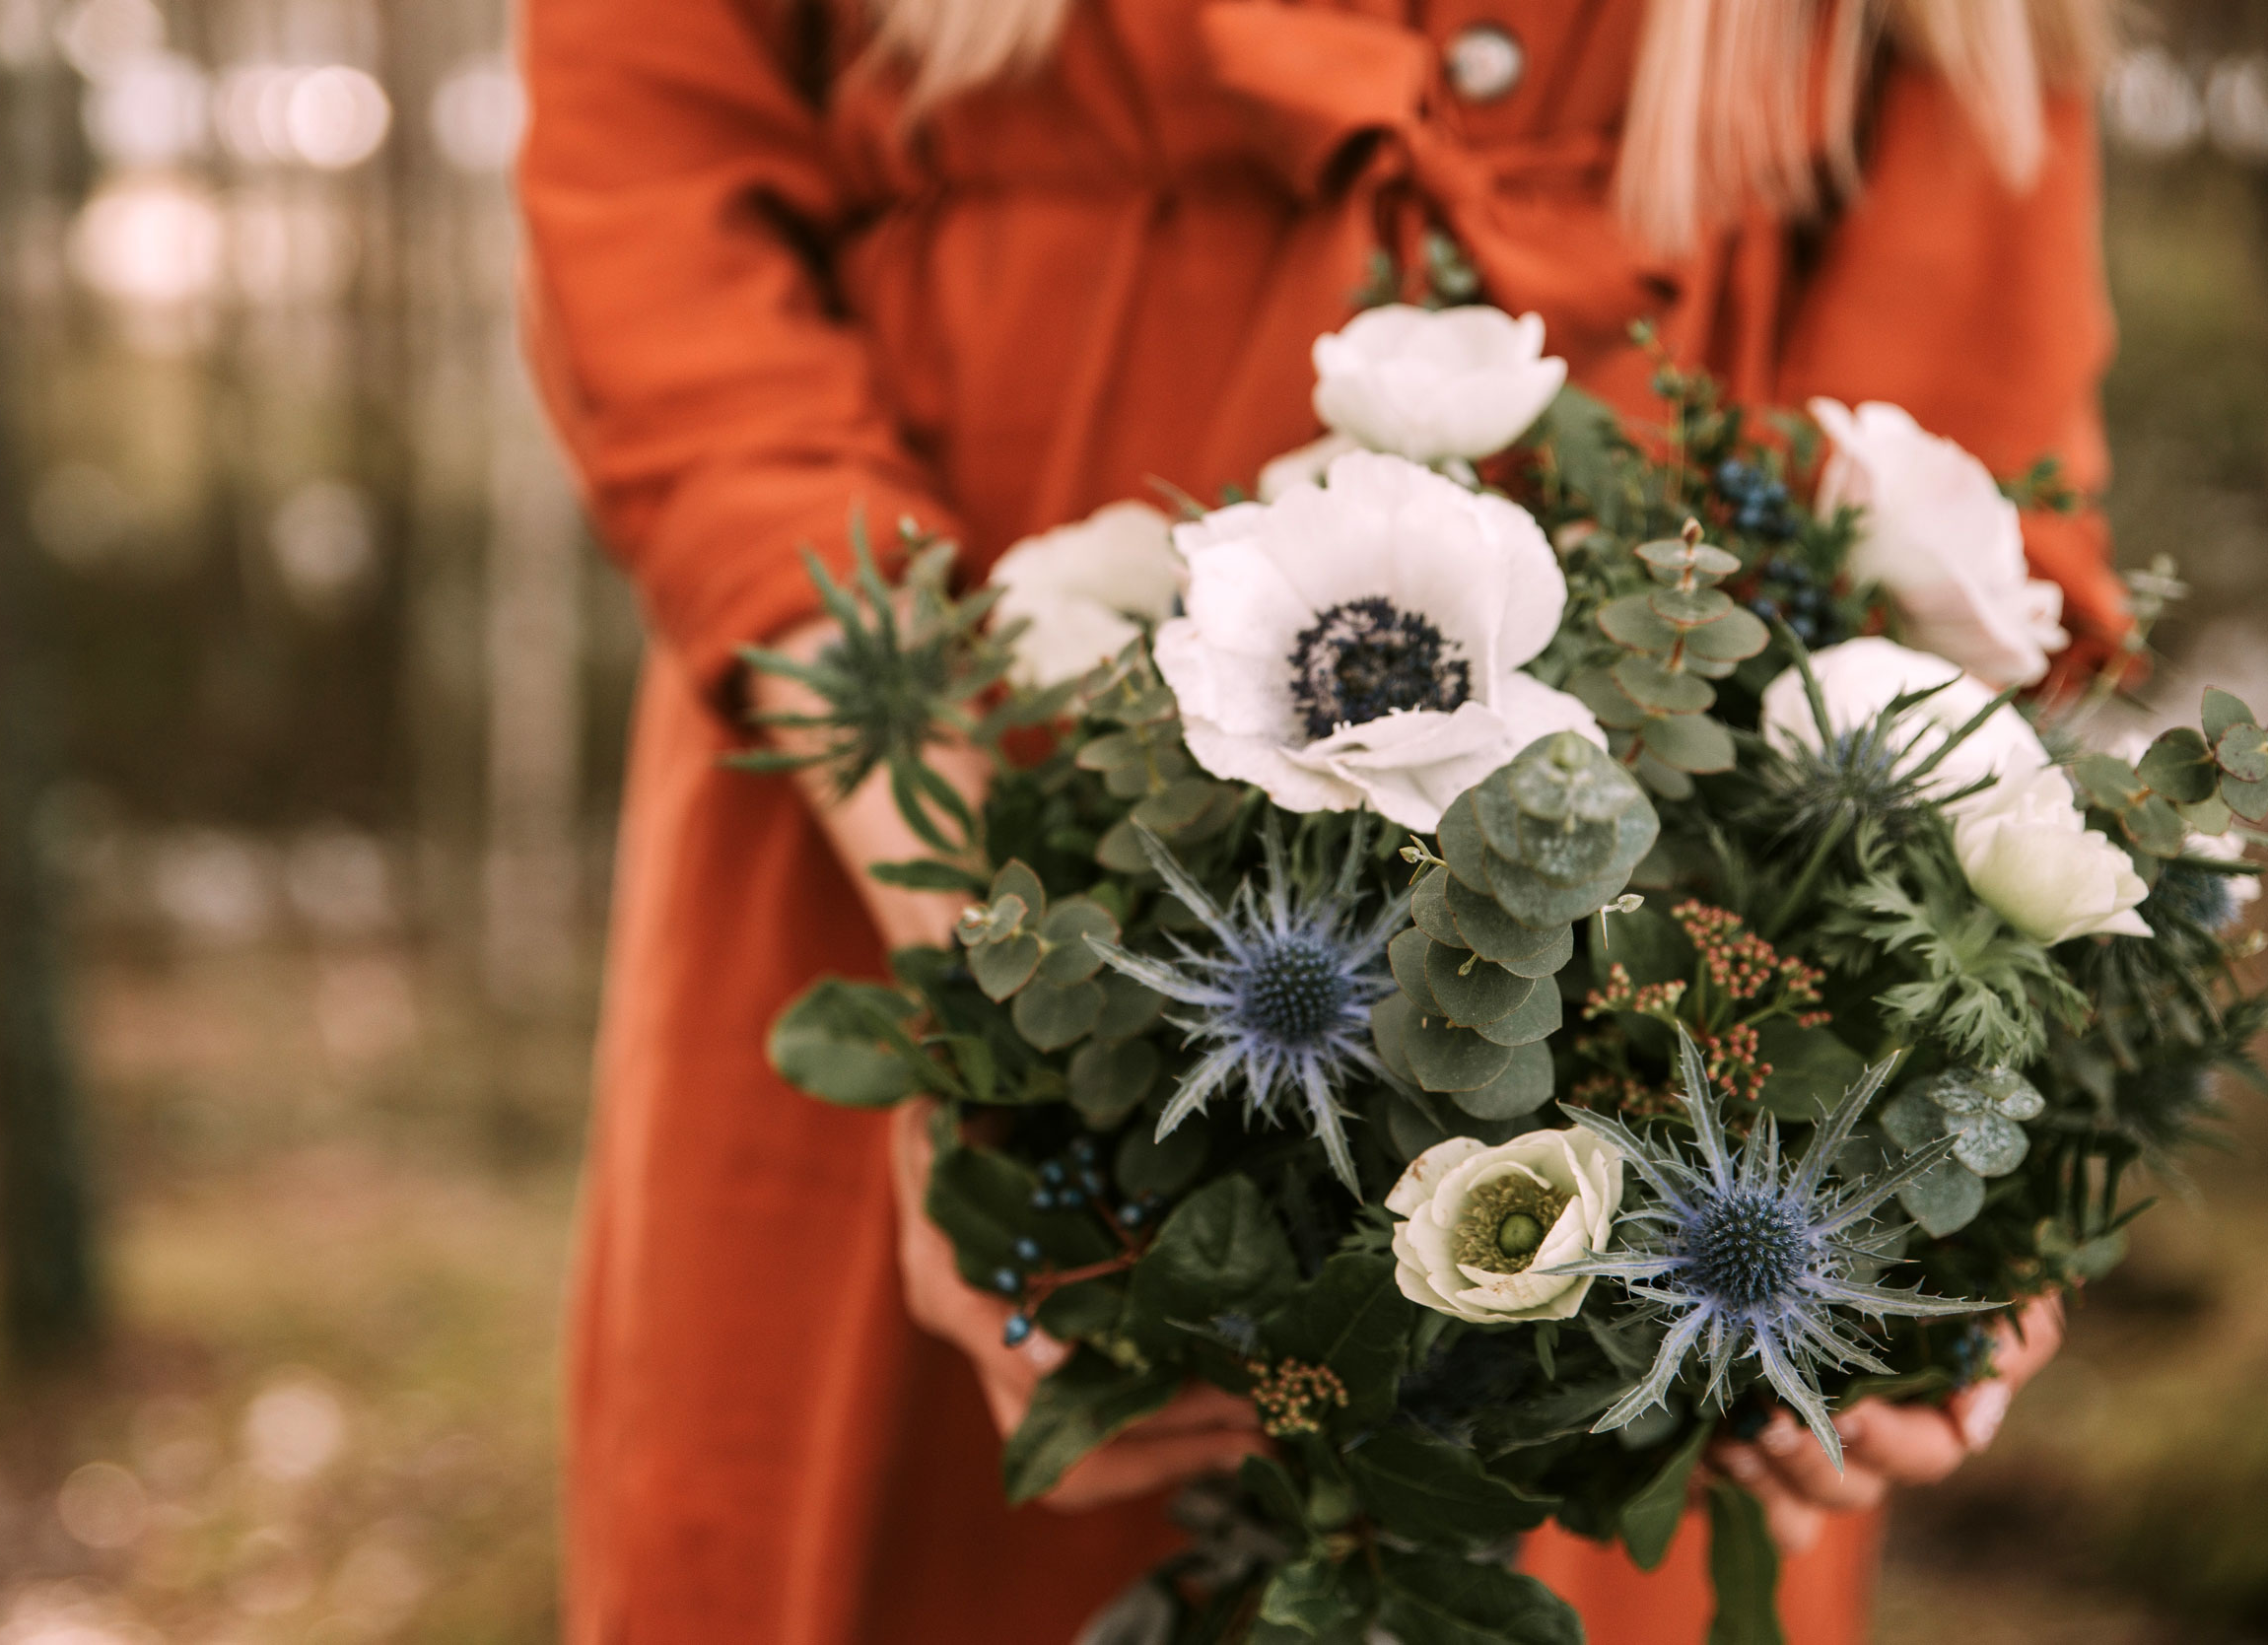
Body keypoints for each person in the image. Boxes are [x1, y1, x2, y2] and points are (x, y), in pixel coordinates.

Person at [516, 1, 2117, 1640]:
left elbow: (1960, 450)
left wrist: (1937, 1138)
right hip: (914, 784)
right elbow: (666, 221)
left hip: (1655, 960)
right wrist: (994, 996)